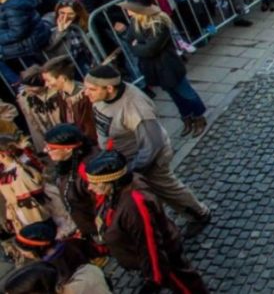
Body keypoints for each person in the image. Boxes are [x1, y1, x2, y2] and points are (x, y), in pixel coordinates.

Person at [81, 64, 212, 233]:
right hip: (125, 157)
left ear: (109, 88)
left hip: (145, 160)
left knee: (167, 189)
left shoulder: (135, 108)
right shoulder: (102, 97)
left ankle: (199, 213)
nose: (86, 93)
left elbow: (152, 145)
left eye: (91, 89)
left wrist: (131, 170)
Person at [84, 150, 207, 293]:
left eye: (94, 183)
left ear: (111, 183)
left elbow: (149, 242)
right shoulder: (118, 194)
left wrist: (154, 278)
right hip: (147, 259)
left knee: (188, 288)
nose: (89, 188)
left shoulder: (135, 203)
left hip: (165, 260)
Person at [119, 0, 208, 138]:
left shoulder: (159, 23)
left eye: (130, 9)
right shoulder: (136, 22)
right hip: (154, 68)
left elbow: (150, 49)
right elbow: (130, 41)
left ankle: (199, 116)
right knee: (174, 95)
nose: (128, 13)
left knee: (186, 93)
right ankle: (186, 117)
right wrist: (138, 45)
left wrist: (137, 45)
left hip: (168, 66)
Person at [43, 123, 99, 240]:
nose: (45, 150)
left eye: (51, 148)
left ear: (68, 149)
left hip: (99, 229)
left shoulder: (88, 171)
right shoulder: (68, 163)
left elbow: (101, 204)